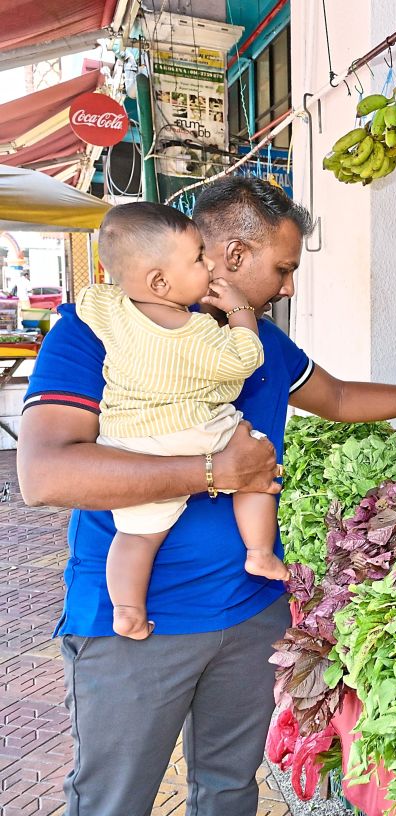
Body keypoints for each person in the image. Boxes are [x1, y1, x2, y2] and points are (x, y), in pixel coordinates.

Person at [17, 176, 396, 816]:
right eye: (283, 268)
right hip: (137, 625)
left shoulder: (260, 344)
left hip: (252, 617)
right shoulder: (100, 330)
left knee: (227, 790)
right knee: (115, 803)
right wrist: (213, 471)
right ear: (232, 257)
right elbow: (45, 474)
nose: (290, 287)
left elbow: (334, 398)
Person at [81, 202, 286, 640]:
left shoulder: (110, 310)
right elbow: (244, 359)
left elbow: (87, 299)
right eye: (197, 258)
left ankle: (128, 608)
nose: (208, 263)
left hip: (129, 442)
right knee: (255, 463)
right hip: (189, 430)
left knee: (136, 536)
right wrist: (239, 312)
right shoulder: (196, 334)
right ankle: (259, 551)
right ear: (160, 281)